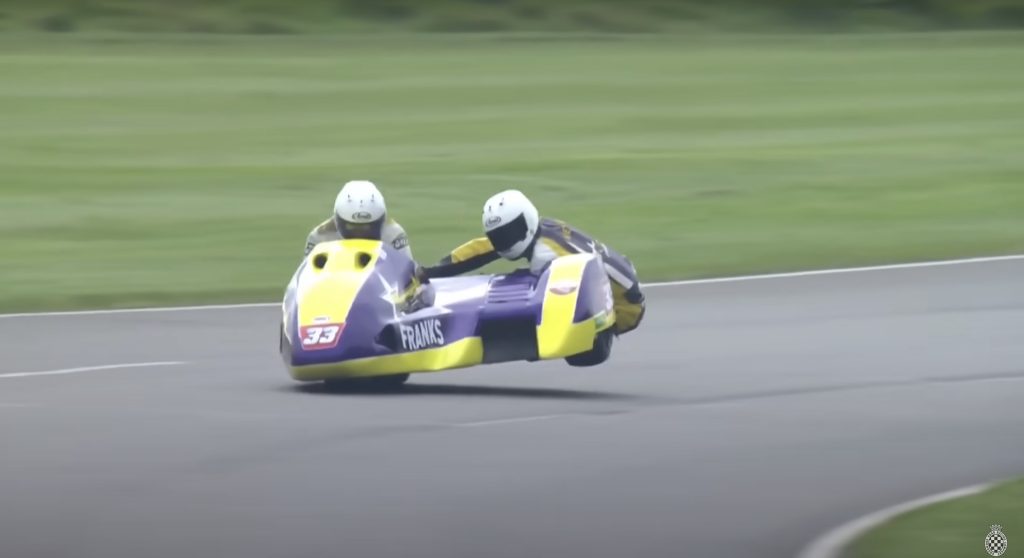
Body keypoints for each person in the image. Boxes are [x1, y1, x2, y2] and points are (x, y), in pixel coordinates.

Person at [424, 189, 645, 334]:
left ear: (527, 220)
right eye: (499, 235)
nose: (505, 241)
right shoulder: (544, 228)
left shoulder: (546, 255)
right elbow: (481, 249)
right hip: (620, 287)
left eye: (510, 233)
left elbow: (603, 267)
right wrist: (432, 271)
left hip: (622, 308)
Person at [304, 180, 412, 258]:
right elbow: (306, 276)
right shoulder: (321, 236)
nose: (360, 235)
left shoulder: (393, 234)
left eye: (367, 228)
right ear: (338, 221)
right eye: (352, 228)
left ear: (381, 221)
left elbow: (406, 272)